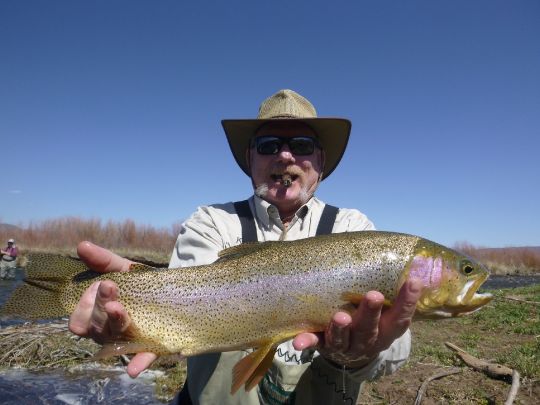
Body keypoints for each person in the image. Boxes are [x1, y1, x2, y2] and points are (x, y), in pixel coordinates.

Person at [69, 89, 422, 405]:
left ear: (321, 163)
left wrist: (360, 352)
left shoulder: (354, 230)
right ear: (250, 160)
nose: (285, 156)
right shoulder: (211, 222)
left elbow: (396, 352)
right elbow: (182, 302)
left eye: (301, 145)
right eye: (269, 146)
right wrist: (130, 303)